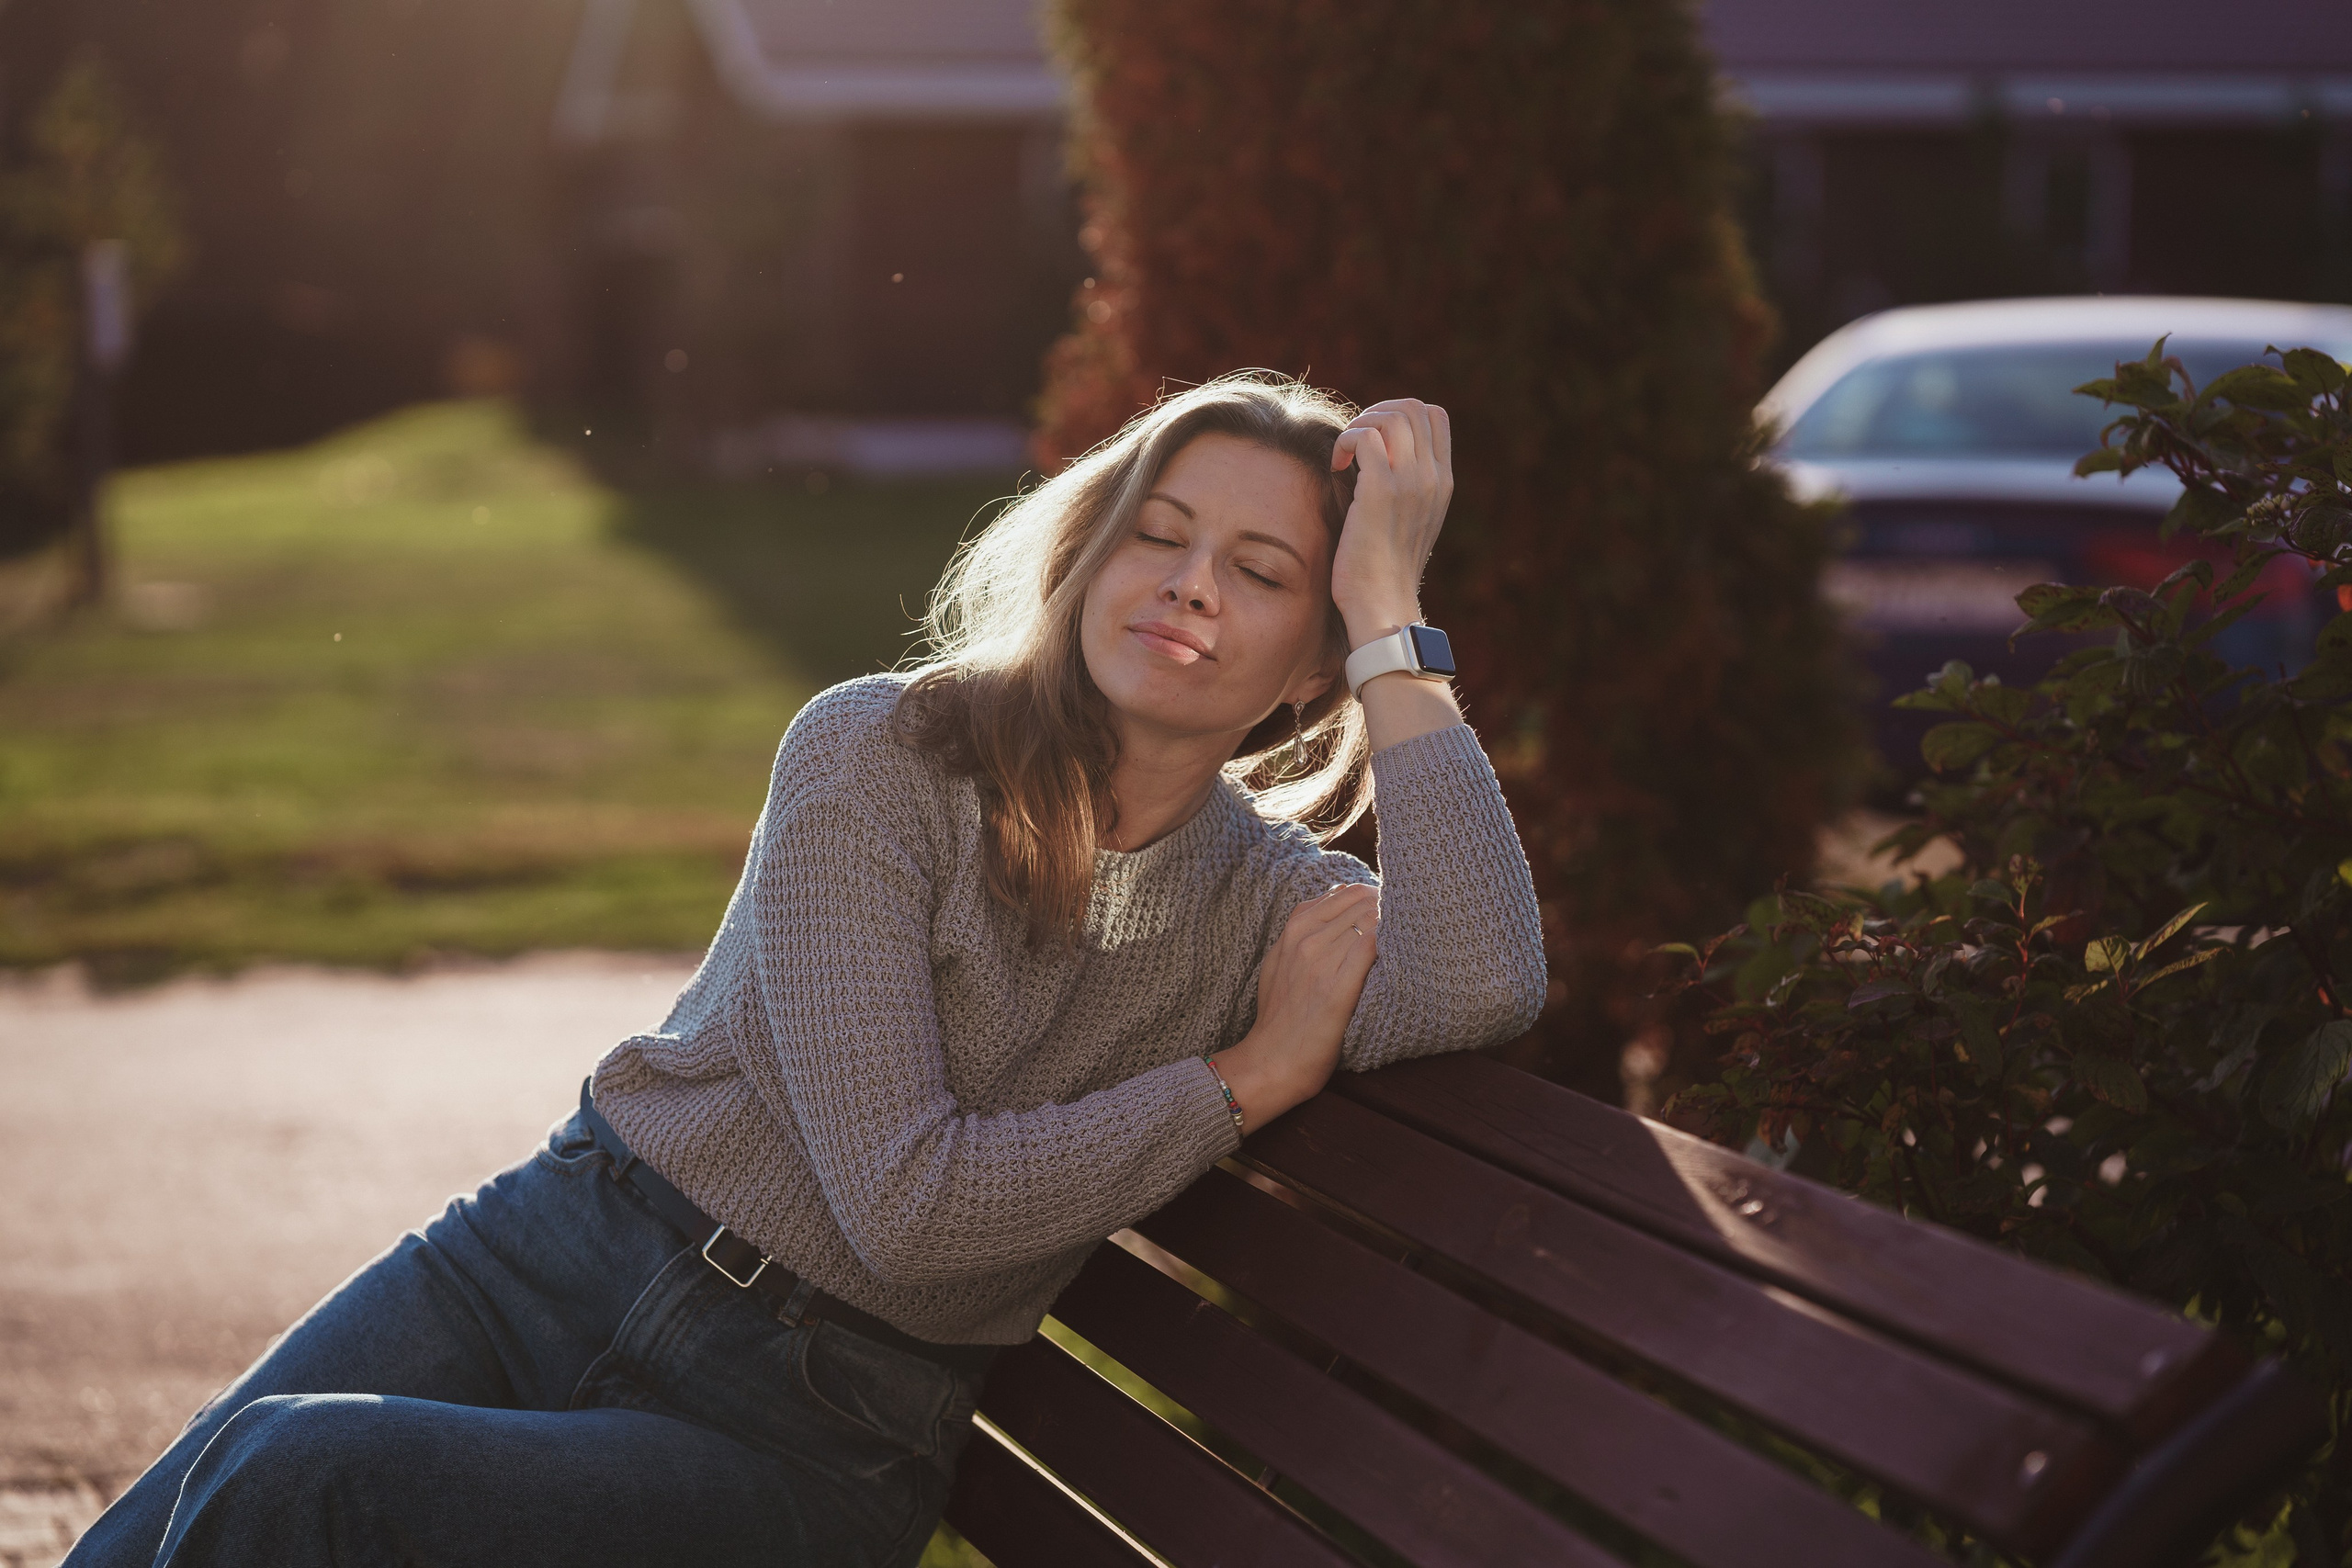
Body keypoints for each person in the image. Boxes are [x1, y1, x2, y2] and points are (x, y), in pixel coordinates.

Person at [67, 373, 1545, 1568]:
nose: (1188, 585)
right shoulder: (883, 752)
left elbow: (1484, 982)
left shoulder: (1276, 909)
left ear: (1310, 662)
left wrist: (1391, 622)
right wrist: (1246, 1082)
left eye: (1265, 569)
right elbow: (909, 1188)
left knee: (294, 1482)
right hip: (548, 1256)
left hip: (809, 1434)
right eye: (1157, 534)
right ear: (1093, 558)